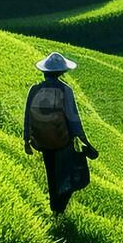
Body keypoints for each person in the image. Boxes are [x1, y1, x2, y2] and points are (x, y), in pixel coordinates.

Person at [23, 51, 98, 213]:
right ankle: (59, 209)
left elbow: (27, 116)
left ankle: (54, 207)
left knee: (51, 174)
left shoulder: (34, 90)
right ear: (62, 72)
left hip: (42, 141)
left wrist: (26, 141)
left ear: (44, 72)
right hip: (63, 142)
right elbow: (73, 118)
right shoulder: (65, 90)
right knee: (67, 176)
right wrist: (85, 141)